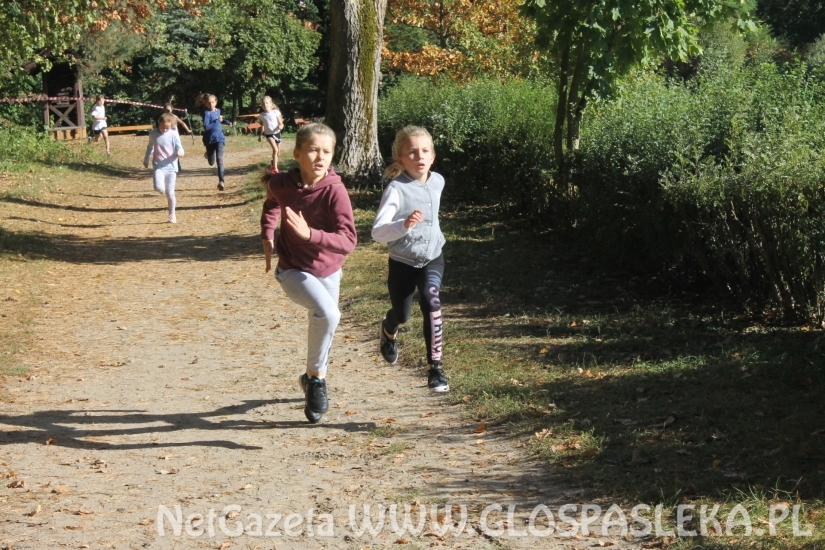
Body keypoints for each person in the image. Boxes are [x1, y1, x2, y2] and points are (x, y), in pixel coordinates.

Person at [260, 123, 357, 423]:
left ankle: (311, 378)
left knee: (326, 322)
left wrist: (310, 235)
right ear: (298, 154)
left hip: (329, 269)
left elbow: (349, 241)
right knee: (330, 315)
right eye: (314, 150)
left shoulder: (335, 192)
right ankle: (317, 380)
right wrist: (268, 235)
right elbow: (272, 202)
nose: (320, 156)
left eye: (327, 151)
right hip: (292, 270)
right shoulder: (284, 184)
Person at [371, 126, 449, 393]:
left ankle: (435, 369)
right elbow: (377, 232)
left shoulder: (438, 181)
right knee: (401, 315)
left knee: (432, 299)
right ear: (401, 159)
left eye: (425, 151)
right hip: (402, 262)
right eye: (412, 152)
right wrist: (403, 225)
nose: (420, 156)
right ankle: (388, 330)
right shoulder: (396, 189)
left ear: (433, 156)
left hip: (432, 257)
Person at [143, 113, 185, 224]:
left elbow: (179, 147)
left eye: (167, 128)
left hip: (171, 167)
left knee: (170, 193)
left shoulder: (173, 134)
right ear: (159, 123)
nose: (165, 130)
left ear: (171, 126)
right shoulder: (153, 134)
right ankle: (160, 189)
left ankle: (172, 214)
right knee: (159, 187)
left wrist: (180, 152)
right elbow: (150, 147)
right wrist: (146, 159)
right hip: (159, 166)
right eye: (163, 127)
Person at [195, 93, 232, 191]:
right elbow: (206, 126)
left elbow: (221, 120)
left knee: (219, 158)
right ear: (206, 104)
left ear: (216, 102)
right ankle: (208, 153)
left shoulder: (218, 111)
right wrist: (217, 120)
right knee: (212, 162)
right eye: (209, 103)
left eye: (213, 102)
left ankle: (221, 181)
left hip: (219, 138)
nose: (211, 104)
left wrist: (227, 122)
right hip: (210, 140)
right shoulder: (206, 113)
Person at [257, 96, 285, 174]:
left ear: (270, 104)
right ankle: (275, 169)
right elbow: (263, 125)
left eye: (267, 103)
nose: (265, 105)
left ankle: (273, 164)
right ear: (262, 105)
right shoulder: (262, 115)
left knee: (278, 153)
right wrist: (260, 135)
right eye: (263, 103)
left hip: (277, 133)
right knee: (275, 150)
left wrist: (280, 126)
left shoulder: (276, 112)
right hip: (269, 134)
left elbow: (281, 123)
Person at [164, 102, 190, 171]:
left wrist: (188, 130)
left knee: (176, 151)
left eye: (169, 110)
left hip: (175, 137)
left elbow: (182, 123)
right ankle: (169, 165)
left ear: (172, 110)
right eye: (166, 110)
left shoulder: (174, 117)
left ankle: (177, 165)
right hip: (167, 137)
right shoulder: (163, 118)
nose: (167, 112)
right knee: (169, 151)